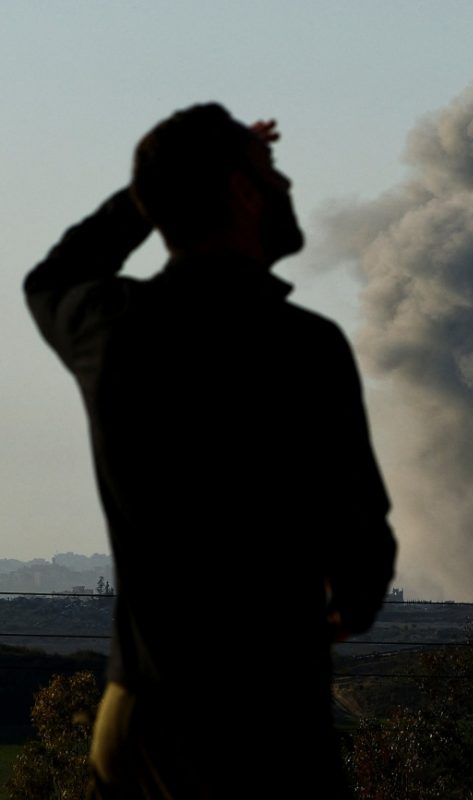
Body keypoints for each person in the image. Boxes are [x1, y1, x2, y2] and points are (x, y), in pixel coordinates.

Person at [25, 104, 397, 798]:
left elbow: (52, 277)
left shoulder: (110, 331)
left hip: (138, 713)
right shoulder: (304, 349)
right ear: (242, 194)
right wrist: (347, 603)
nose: (285, 187)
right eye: (270, 173)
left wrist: (151, 196)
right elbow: (362, 553)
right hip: (263, 726)